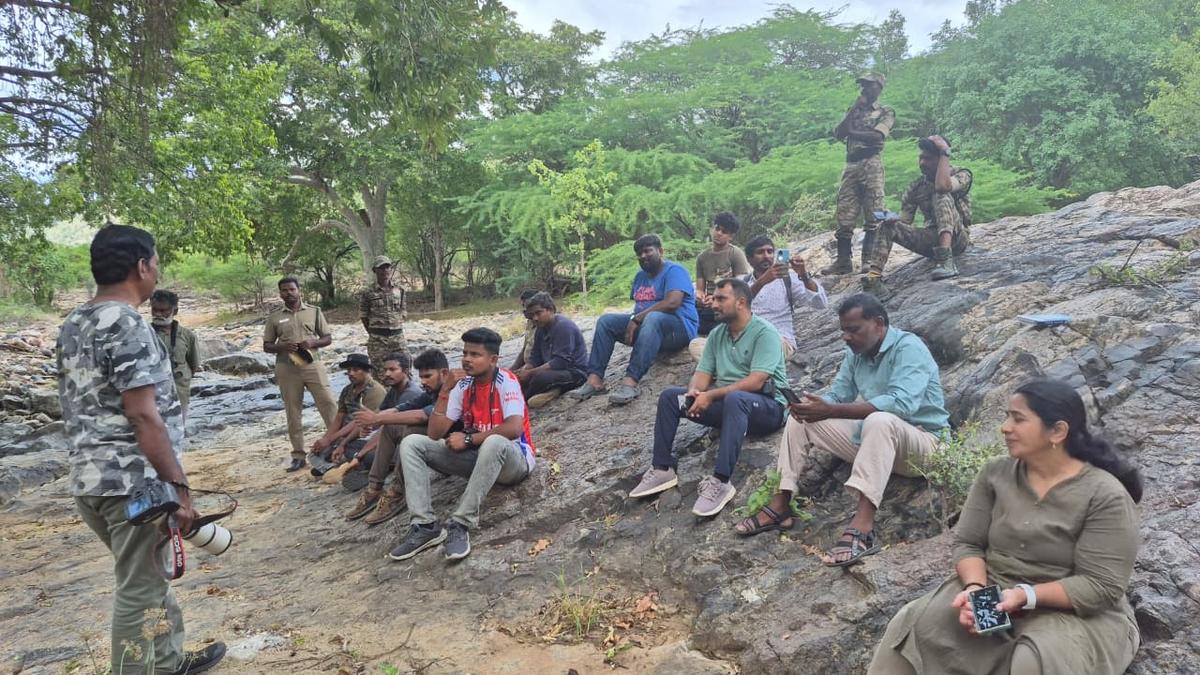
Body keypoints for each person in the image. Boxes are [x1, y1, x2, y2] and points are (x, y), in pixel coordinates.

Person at [868, 379, 1143, 675]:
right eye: (1007, 416)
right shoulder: (995, 473)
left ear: (1058, 431)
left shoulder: (1105, 494)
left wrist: (1025, 596)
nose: (1005, 427)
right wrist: (977, 593)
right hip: (996, 592)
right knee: (915, 625)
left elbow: (1100, 585)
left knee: (1033, 659)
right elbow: (969, 544)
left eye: (1018, 419)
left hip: (1073, 612)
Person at [57, 224, 225, 675]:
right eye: (156, 262)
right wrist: (178, 485)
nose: (157, 271)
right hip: (134, 487)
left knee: (148, 579)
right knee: (137, 593)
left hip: (91, 481)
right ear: (142, 267)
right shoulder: (126, 322)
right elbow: (143, 415)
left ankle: (168, 661)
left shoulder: (75, 321)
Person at [735, 294, 949, 568]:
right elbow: (838, 394)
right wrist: (811, 406)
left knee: (880, 419)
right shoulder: (856, 354)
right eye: (843, 330)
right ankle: (781, 502)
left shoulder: (909, 348)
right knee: (802, 419)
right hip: (877, 444)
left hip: (925, 446)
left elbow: (902, 404)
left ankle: (863, 525)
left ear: (879, 324)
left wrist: (833, 410)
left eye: (853, 329)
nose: (846, 337)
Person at [630, 278, 789, 517]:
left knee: (738, 400)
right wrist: (695, 392)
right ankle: (662, 468)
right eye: (713, 298)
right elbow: (702, 374)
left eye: (721, 299)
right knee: (671, 397)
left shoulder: (765, 332)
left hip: (767, 407)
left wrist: (711, 395)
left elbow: (757, 381)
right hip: (729, 408)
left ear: (741, 302)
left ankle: (721, 482)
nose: (713, 304)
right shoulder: (717, 334)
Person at [389, 328, 536, 562]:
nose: (467, 359)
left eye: (475, 354)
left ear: (493, 359)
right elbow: (435, 431)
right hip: (480, 462)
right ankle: (425, 526)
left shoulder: (506, 380)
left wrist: (468, 439)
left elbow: (514, 428)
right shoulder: (462, 385)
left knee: (494, 441)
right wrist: (445, 390)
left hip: (513, 460)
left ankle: (460, 523)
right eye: (465, 353)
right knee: (412, 443)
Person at [568, 234, 699, 406]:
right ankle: (594, 380)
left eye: (647, 251)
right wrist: (634, 319)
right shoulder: (640, 277)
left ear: (660, 251)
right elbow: (640, 306)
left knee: (653, 318)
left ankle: (631, 382)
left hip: (678, 329)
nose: (643, 256)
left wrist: (636, 320)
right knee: (606, 321)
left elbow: (672, 302)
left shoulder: (675, 271)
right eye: (639, 253)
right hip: (649, 329)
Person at [344, 349, 453, 525]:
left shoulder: (451, 393)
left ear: (444, 373)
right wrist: (374, 420)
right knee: (391, 426)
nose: (423, 382)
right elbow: (403, 408)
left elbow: (421, 416)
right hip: (434, 447)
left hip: (452, 452)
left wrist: (377, 418)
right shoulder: (431, 391)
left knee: (412, 430)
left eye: (427, 376)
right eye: (421, 377)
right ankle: (374, 488)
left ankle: (398, 491)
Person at [865, 135, 973, 298]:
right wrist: (892, 218)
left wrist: (945, 151)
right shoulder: (916, 187)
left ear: (941, 159)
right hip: (931, 241)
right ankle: (873, 279)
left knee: (940, 194)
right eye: (921, 158)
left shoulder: (961, 174)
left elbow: (943, 186)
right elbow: (905, 220)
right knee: (887, 225)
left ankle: (946, 261)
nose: (922, 163)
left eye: (928, 159)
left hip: (958, 239)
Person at [690, 235, 829, 361]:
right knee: (696, 345)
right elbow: (733, 307)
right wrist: (762, 281)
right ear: (749, 259)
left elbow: (821, 303)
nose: (766, 256)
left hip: (776, 340)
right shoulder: (741, 282)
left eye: (769, 251)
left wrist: (804, 275)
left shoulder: (788, 280)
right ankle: (735, 367)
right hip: (741, 340)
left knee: (766, 341)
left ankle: (727, 367)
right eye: (760, 252)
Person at [317, 350, 424, 487]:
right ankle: (362, 466)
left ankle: (367, 469)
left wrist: (359, 455)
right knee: (349, 445)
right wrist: (342, 443)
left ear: (405, 371)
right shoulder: (394, 391)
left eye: (392, 369)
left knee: (366, 453)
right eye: (385, 370)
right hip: (389, 439)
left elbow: (385, 430)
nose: (387, 374)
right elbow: (373, 419)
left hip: (406, 446)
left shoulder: (410, 394)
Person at [823, 73, 895, 276]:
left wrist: (852, 133)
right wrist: (854, 109)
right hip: (851, 164)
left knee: (874, 212)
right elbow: (838, 133)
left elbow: (877, 136)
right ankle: (843, 261)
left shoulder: (885, 111)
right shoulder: (853, 111)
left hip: (871, 163)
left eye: (869, 85)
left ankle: (869, 261)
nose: (864, 89)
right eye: (862, 85)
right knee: (845, 212)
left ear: (879, 88)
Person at [264, 276, 338, 472]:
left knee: (328, 404)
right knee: (293, 411)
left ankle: (337, 446)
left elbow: (328, 338)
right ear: (280, 294)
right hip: (287, 367)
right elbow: (267, 346)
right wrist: (282, 346)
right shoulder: (274, 316)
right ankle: (298, 455)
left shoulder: (314, 312)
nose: (289, 293)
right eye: (284, 291)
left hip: (312, 364)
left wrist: (313, 343)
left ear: (299, 290)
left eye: (292, 289)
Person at [307, 353, 387, 476]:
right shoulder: (347, 390)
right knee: (315, 453)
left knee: (352, 449)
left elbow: (362, 424)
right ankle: (332, 465)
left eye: (355, 370)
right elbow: (339, 418)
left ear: (366, 371)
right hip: (344, 433)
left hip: (363, 433)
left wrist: (333, 440)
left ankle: (344, 465)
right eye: (349, 370)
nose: (351, 373)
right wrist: (326, 439)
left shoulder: (375, 391)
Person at [514, 292, 588, 408]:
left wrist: (530, 373)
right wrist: (524, 370)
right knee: (518, 379)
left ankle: (522, 402)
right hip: (554, 371)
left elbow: (561, 362)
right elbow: (535, 357)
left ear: (551, 310)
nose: (535, 318)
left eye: (538, 313)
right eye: (532, 315)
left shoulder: (563, 326)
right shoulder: (540, 328)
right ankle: (552, 390)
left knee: (539, 378)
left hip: (575, 372)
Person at [694, 212, 751, 337]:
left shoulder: (735, 254)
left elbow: (741, 286)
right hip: (707, 305)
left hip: (727, 302)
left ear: (731, 236)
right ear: (712, 229)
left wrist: (716, 298)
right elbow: (699, 288)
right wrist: (700, 297)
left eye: (724, 232)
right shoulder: (702, 258)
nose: (718, 233)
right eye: (717, 228)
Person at [149, 289, 201, 419]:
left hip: (179, 393)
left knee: (178, 432)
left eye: (163, 310)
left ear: (175, 311)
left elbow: (193, 365)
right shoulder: (143, 334)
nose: (158, 314)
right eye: (154, 310)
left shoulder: (188, 336)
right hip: (151, 395)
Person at [360, 255, 408, 376]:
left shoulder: (399, 290)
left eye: (387, 267)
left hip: (398, 338)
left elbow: (403, 310)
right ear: (375, 270)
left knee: (405, 369)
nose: (385, 270)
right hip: (378, 340)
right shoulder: (368, 292)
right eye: (381, 268)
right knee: (380, 374)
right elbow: (364, 315)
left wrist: (397, 323)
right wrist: (374, 332)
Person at [510, 288, 540, 372]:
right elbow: (525, 349)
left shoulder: (543, 324)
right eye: (523, 306)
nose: (525, 310)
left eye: (527, 306)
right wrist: (511, 370)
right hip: (528, 366)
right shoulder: (530, 323)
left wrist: (524, 371)